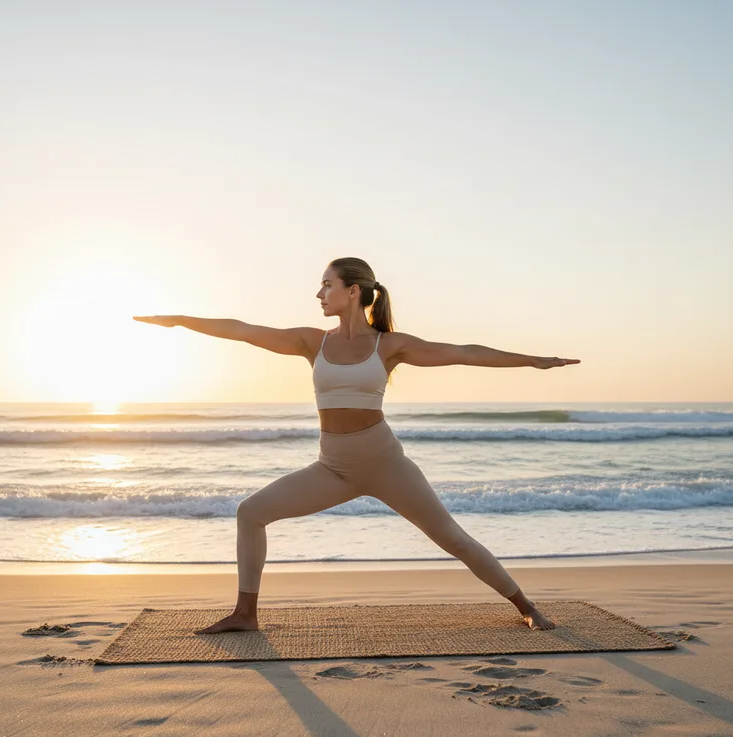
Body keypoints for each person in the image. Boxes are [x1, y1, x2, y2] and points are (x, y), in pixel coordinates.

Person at [134, 257, 580, 634]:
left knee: (453, 539)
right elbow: (242, 329)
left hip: (386, 463)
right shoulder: (311, 341)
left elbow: (466, 351)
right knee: (250, 513)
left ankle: (526, 608)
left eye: (327, 285)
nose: (319, 293)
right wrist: (178, 320)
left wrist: (534, 361)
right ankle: (245, 614)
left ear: (352, 292)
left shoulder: (390, 346)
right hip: (333, 469)